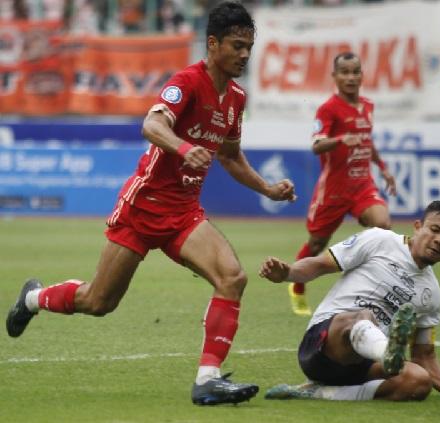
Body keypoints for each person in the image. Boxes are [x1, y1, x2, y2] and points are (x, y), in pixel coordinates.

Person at [5, 1, 296, 405]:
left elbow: (230, 156)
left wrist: (267, 189)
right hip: (143, 207)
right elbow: (151, 123)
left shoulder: (236, 99)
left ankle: (208, 379)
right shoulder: (187, 82)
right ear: (213, 44)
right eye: (236, 45)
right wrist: (183, 147)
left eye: (249, 46)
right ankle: (34, 298)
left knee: (232, 277)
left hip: (184, 213)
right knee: (98, 302)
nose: (245, 54)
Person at [259, 198, 440, 401]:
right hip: (322, 347)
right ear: (418, 226)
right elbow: (319, 265)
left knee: (419, 381)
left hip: (364, 365)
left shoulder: (432, 295)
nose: (439, 240)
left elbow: (425, 357)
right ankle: (385, 351)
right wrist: (287, 273)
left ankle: (318, 393)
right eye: (434, 230)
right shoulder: (379, 239)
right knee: (365, 316)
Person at [288, 51, 397, 316]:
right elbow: (316, 145)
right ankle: (296, 284)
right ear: (334, 77)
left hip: (362, 185)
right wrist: (339, 140)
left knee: (382, 226)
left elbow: (366, 141)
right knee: (316, 243)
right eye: (344, 72)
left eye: (355, 71)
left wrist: (383, 169)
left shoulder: (368, 105)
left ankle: (366, 285)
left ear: (362, 75)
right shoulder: (328, 109)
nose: (350, 77)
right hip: (334, 190)